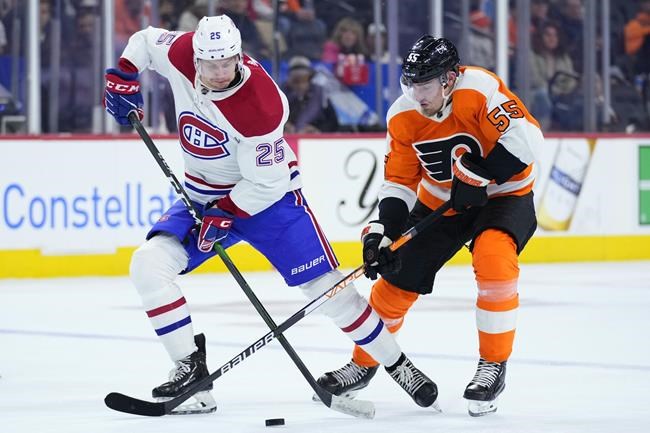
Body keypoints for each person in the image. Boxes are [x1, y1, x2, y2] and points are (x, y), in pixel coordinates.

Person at [103, 15, 437, 414]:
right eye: (211, 64)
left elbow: (268, 183)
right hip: (203, 195)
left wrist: (227, 212)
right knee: (148, 266)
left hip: (269, 200)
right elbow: (145, 40)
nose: (221, 72)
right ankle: (191, 373)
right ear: (196, 58)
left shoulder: (260, 104)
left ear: (238, 54)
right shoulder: (180, 51)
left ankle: (398, 365)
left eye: (228, 62)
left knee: (328, 291)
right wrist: (125, 74)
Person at [317, 35, 542, 417]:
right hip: (441, 202)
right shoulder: (402, 116)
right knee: (396, 281)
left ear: (449, 79)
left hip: (505, 195)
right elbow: (399, 182)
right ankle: (363, 364)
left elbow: (529, 140)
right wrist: (385, 231)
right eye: (411, 83)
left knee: (493, 256)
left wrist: (482, 175)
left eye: (424, 84)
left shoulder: (480, 89)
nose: (416, 94)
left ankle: (493, 366)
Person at [281, 56, 339, 134]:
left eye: (304, 79)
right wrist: (284, 126)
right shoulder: (281, 93)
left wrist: (317, 129)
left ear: (310, 78)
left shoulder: (320, 94)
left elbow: (333, 122)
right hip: (288, 137)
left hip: (312, 138)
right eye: (296, 80)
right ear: (290, 79)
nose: (300, 85)